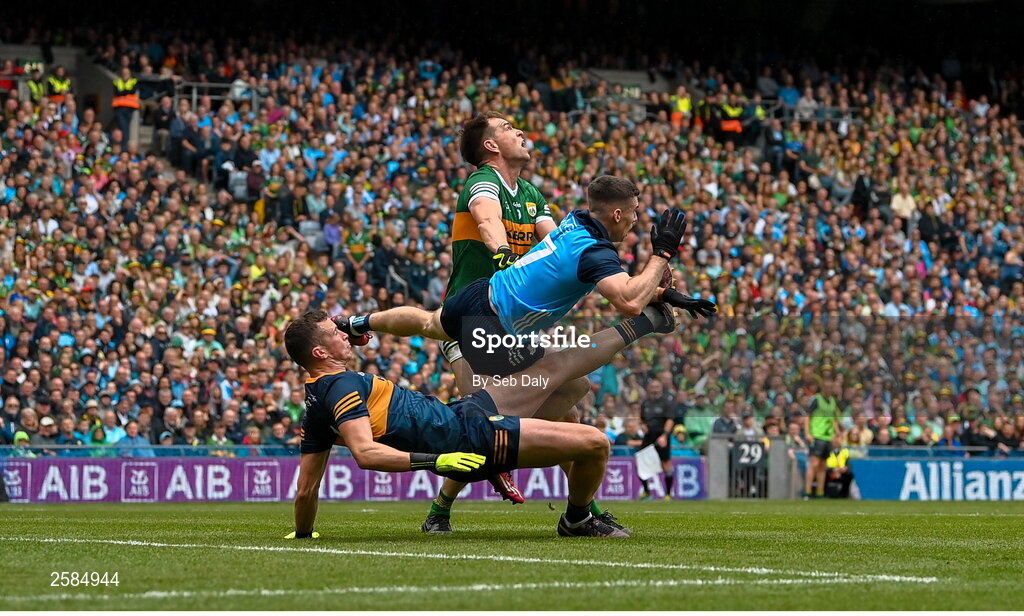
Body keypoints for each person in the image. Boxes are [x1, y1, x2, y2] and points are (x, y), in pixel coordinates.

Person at [338, 178, 710, 531]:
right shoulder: (591, 249)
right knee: (558, 380)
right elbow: (627, 298)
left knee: (429, 324)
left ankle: (358, 322)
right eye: (634, 211)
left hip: (478, 295)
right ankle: (647, 327)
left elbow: (605, 278)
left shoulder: (574, 223)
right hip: (495, 329)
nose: (635, 219)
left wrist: (663, 293)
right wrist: (661, 254)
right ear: (616, 214)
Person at [284, 304, 675, 539]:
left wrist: (303, 535)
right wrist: (436, 462)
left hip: (463, 413)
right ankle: (577, 517)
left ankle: (648, 320)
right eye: (335, 334)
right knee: (596, 443)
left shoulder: (316, 400)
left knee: (569, 382)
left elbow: (305, 490)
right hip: (475, 438)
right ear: (320, 351)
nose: (344, 335)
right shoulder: (341, 386)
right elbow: (366, 453)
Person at [638, 379, 677, 500]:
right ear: (649, 389)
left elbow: (670, 420)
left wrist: (664, 435)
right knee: (642, 462)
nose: (654, 389)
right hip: (649, 436)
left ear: (661, 388)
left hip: (661, 436)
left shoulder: (667, 402)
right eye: (652, 387)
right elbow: (641, 418)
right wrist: (643, 425)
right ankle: (646, 491)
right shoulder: (645, 403)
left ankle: (668, 494)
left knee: (665, 463)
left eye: (657, 387)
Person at [804, 376, 841, 499]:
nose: (829, 389)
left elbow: (834, 420)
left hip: (828, 436)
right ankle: (807, 491)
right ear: (823, 388)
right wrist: (807, 433)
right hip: (817, 435)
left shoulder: (832, 401)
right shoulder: (815, 400)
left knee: (823, 466)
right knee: (814, 464)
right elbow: (807, 416)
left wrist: (837, 432)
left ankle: (820, 492)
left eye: (831, 387)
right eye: (827, 387)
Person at [112, 67, 140, 147]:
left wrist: (123, 92)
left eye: (127, 73)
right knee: (123, 127)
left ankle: (124, 145)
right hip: (119, 108)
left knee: (126, 127)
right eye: (124, 73)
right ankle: (123, 146)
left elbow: (133, 91)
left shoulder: (134, 81)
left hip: (130, 108)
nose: (125, 74)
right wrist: (127, 92)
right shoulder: (116, 82)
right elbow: (117, 92)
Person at [825, 432, 854, 498]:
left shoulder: (845, 451)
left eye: (839, 438)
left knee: (849, 475)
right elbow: (823, 465)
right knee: (823, 474)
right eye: (835, 438)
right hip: (830, 472)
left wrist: (845, 469)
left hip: (841, 472)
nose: (837, 441)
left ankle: (843, 494)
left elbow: (849, 465)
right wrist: (833, 470)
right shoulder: (826, 451)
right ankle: (825, 494)